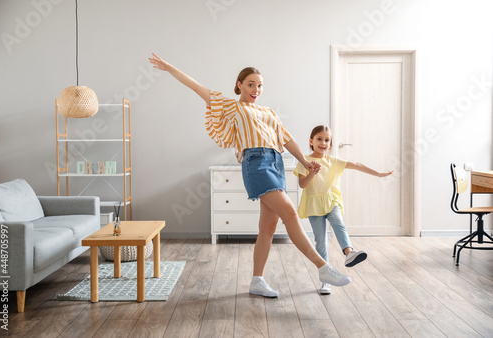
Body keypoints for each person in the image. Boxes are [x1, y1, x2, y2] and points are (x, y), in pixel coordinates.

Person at [149, 53, 351, 297]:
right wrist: (170, 67)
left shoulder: (269, 112)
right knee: (289, 212)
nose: (256, 89)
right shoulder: (232, 106)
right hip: (256, 163)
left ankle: (257, 280)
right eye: (251, 84)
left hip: (276, 163)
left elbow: (286, 139)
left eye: (260, 85)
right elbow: (196, 87)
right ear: (239, 85)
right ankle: (323, 267)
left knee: (268, 227)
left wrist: (306, 162)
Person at [294, 125, 393, 295]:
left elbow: (356, 164)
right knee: (321, 242)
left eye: (327, 140)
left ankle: (349, 252)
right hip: (314, 204)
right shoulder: (304, 161)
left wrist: (378, 174)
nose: (323, 143)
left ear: (330, 144)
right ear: (311, 141)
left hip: (332, 200)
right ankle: (326, 279)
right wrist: (312, 172)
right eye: (319, 139)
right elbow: (302, 184)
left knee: (338, 223)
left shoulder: (333, 161)